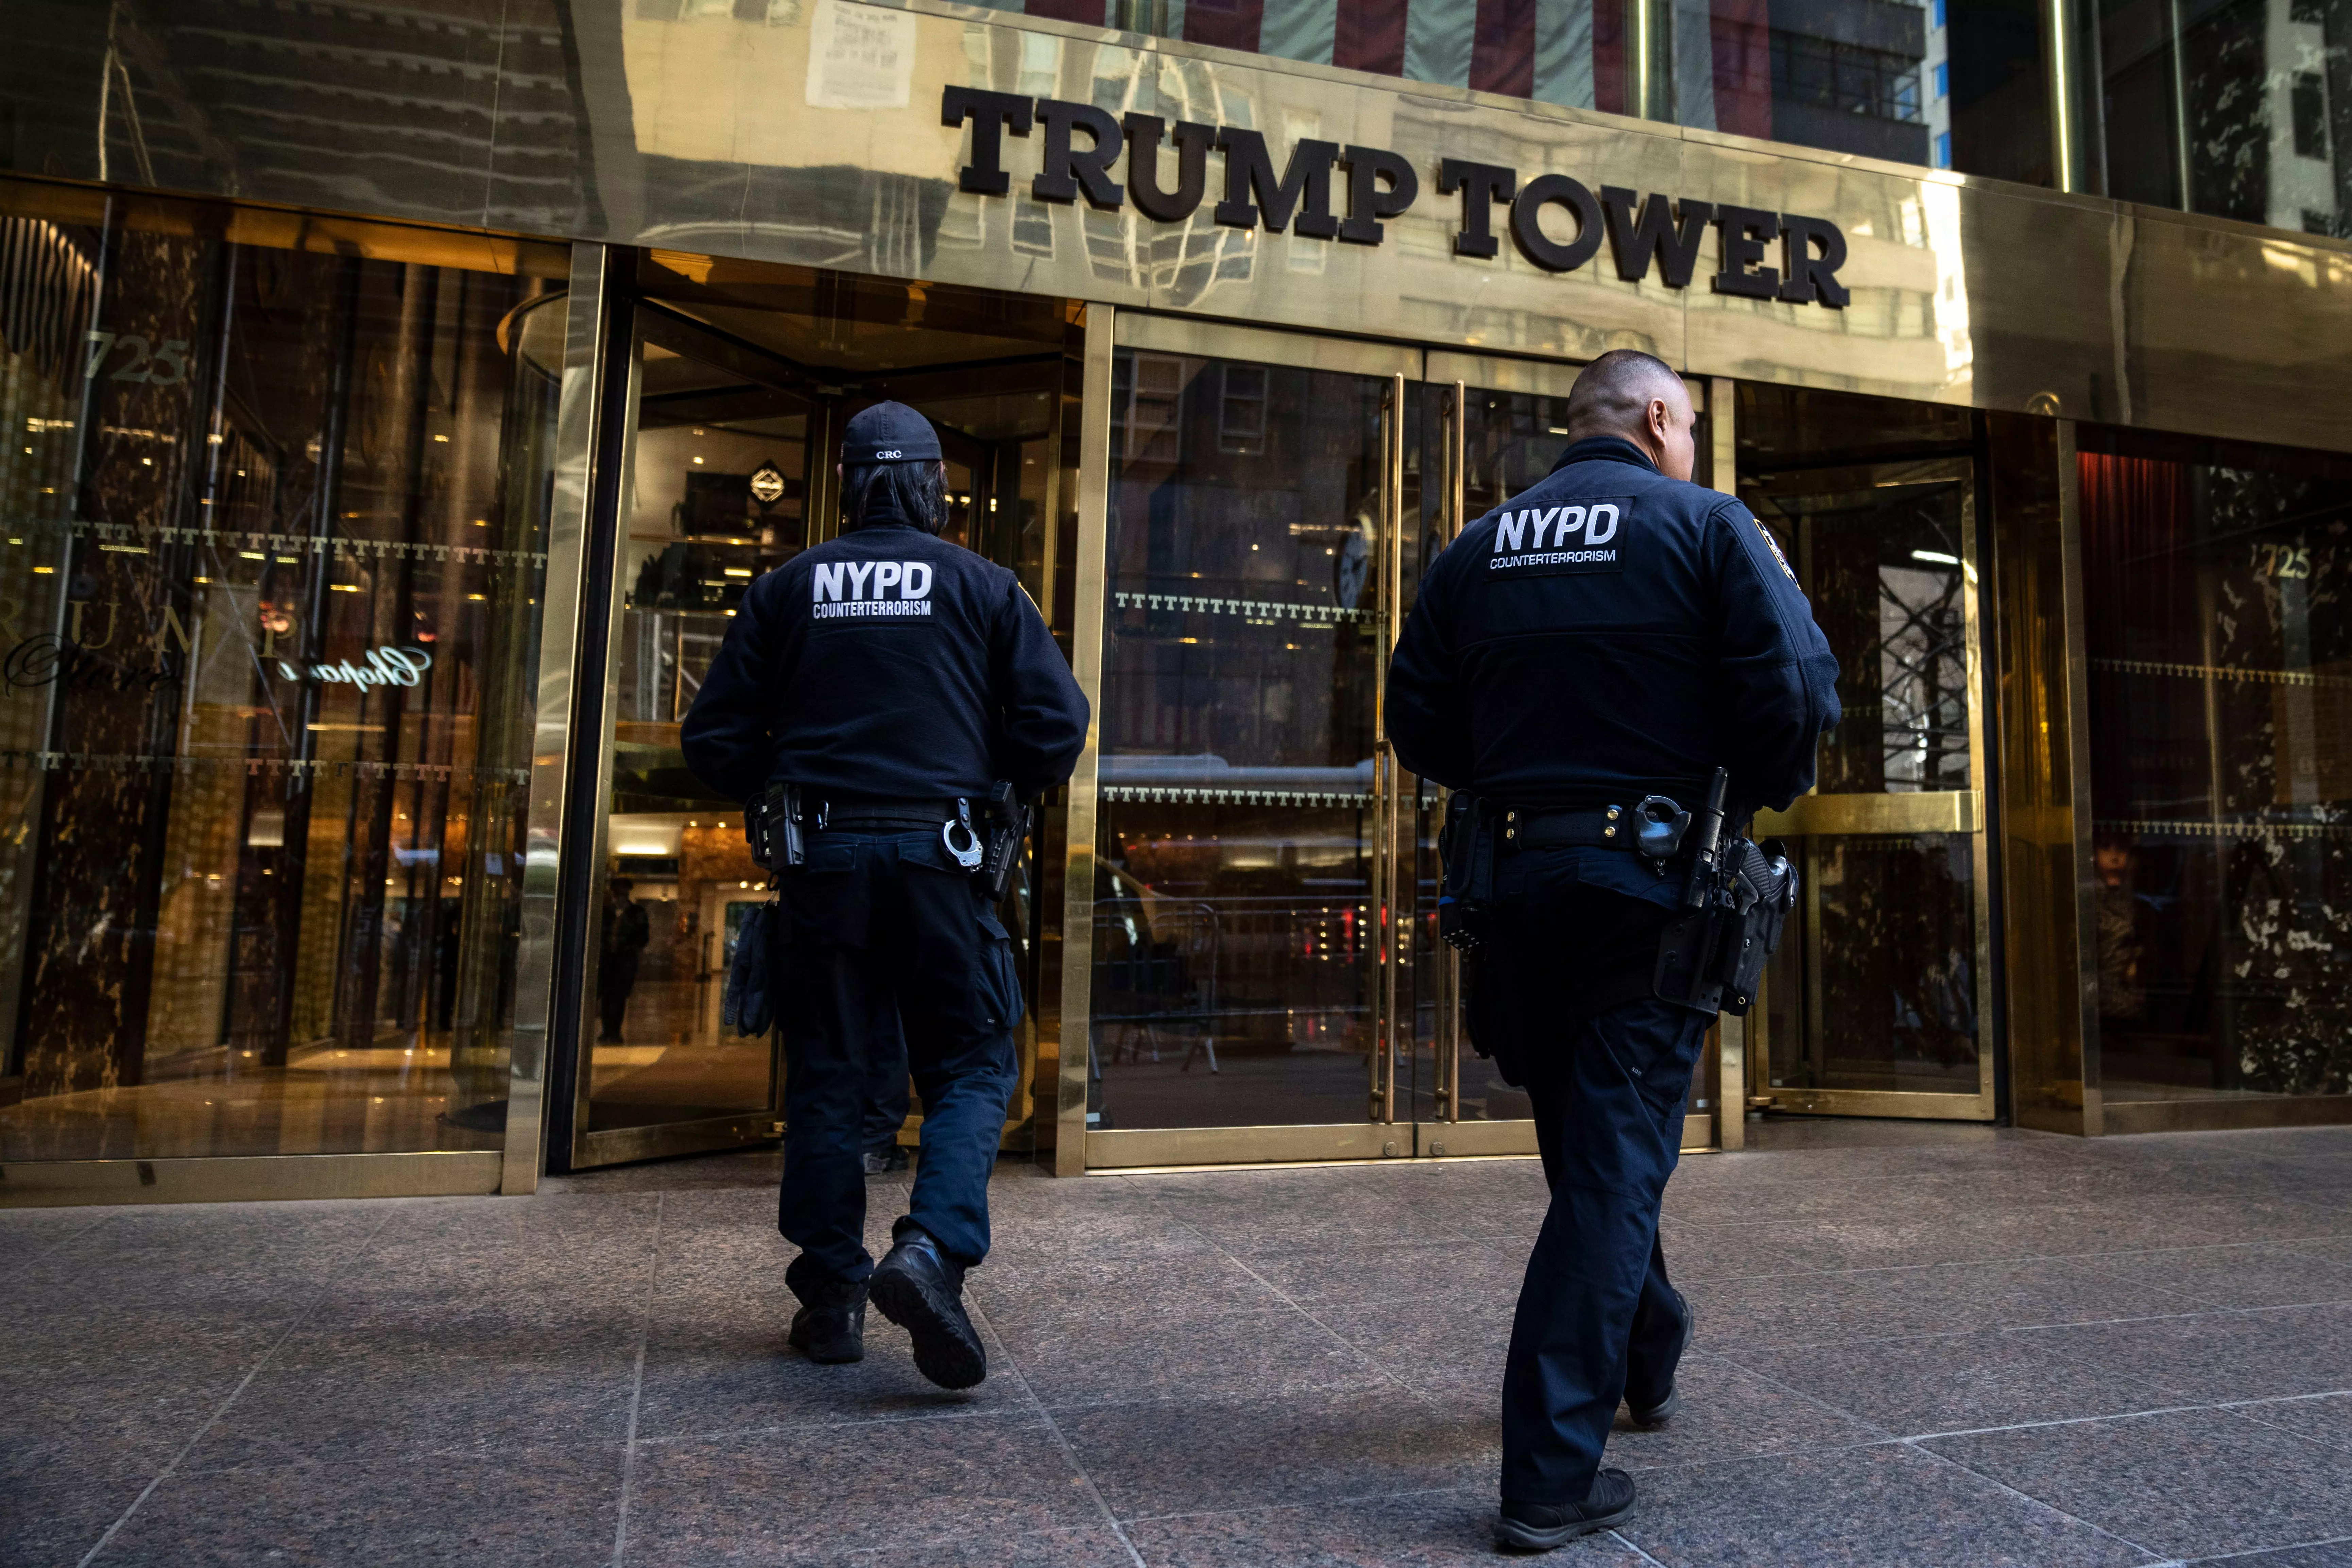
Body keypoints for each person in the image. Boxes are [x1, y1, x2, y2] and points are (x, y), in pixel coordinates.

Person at [1387, 351, 1839, 1550]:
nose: (1685, 444)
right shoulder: (1703, 525)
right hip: (1650, 893)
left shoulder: (1476, 547)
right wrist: (1736, 802)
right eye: (1685, 426)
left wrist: (1518, 776)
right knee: (1610, 1163)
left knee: (1593, 1144)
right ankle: (1547, 1469)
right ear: (1655, 418)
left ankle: (1645, 1346)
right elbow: (1794, 692)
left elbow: (1412, 718)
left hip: (1517, 891)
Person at [681, 401, 1087, 1389]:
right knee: (970, 1063)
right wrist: (984, 765)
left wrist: (782, 768)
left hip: (819, 863)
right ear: (932, 487)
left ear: (850, 485)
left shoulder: (785, 590)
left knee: (825, 1075)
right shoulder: (984, 586)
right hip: (939, 863)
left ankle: (829, 1301)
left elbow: (712, 740)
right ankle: (931, 1249)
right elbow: (1055, 726)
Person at [597, 878, 650, 1043]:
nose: (620, 897)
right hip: (607, 961)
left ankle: (615, 1032)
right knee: (607, 997)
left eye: (623, 893)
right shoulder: (606, 912)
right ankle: (607, 1031)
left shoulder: (637, 913)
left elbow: (643, 937)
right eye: (617, 893)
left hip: (625, 961)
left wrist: (630, 948)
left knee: (619, 998)